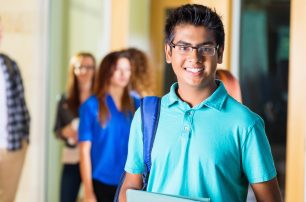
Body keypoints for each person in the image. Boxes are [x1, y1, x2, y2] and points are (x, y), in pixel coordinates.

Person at [120, 4, 282, 202]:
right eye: (183, 47)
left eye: (205, 48)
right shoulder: (147, 116)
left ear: (219, 53)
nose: (194, 57)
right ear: (169, 53)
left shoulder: (246, 123)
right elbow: (131, 183)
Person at [79, 50, 140, 202]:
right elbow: (84, 151)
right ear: (107, 71)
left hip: (130, 182)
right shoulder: (91, 106)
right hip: (101, 182)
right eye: (118, 69)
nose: (123, 74)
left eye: (127, 69)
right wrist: (88, 192)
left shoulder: (138, 104)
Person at [53, 52, 96, 202]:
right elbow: (56, 130)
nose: (84, 71)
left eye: (89, 67)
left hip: (94, 156)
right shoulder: (64, 100)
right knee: (66, 197)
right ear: (73, 70)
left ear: (95, 70)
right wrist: (65, 132)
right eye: (80, 67)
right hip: (71, 157)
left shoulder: (101, 99)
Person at [0, 17, 30, 202]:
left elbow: (21, 105)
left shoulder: (10, 65)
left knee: (7, 198)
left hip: (11, 146)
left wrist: (24, 139)